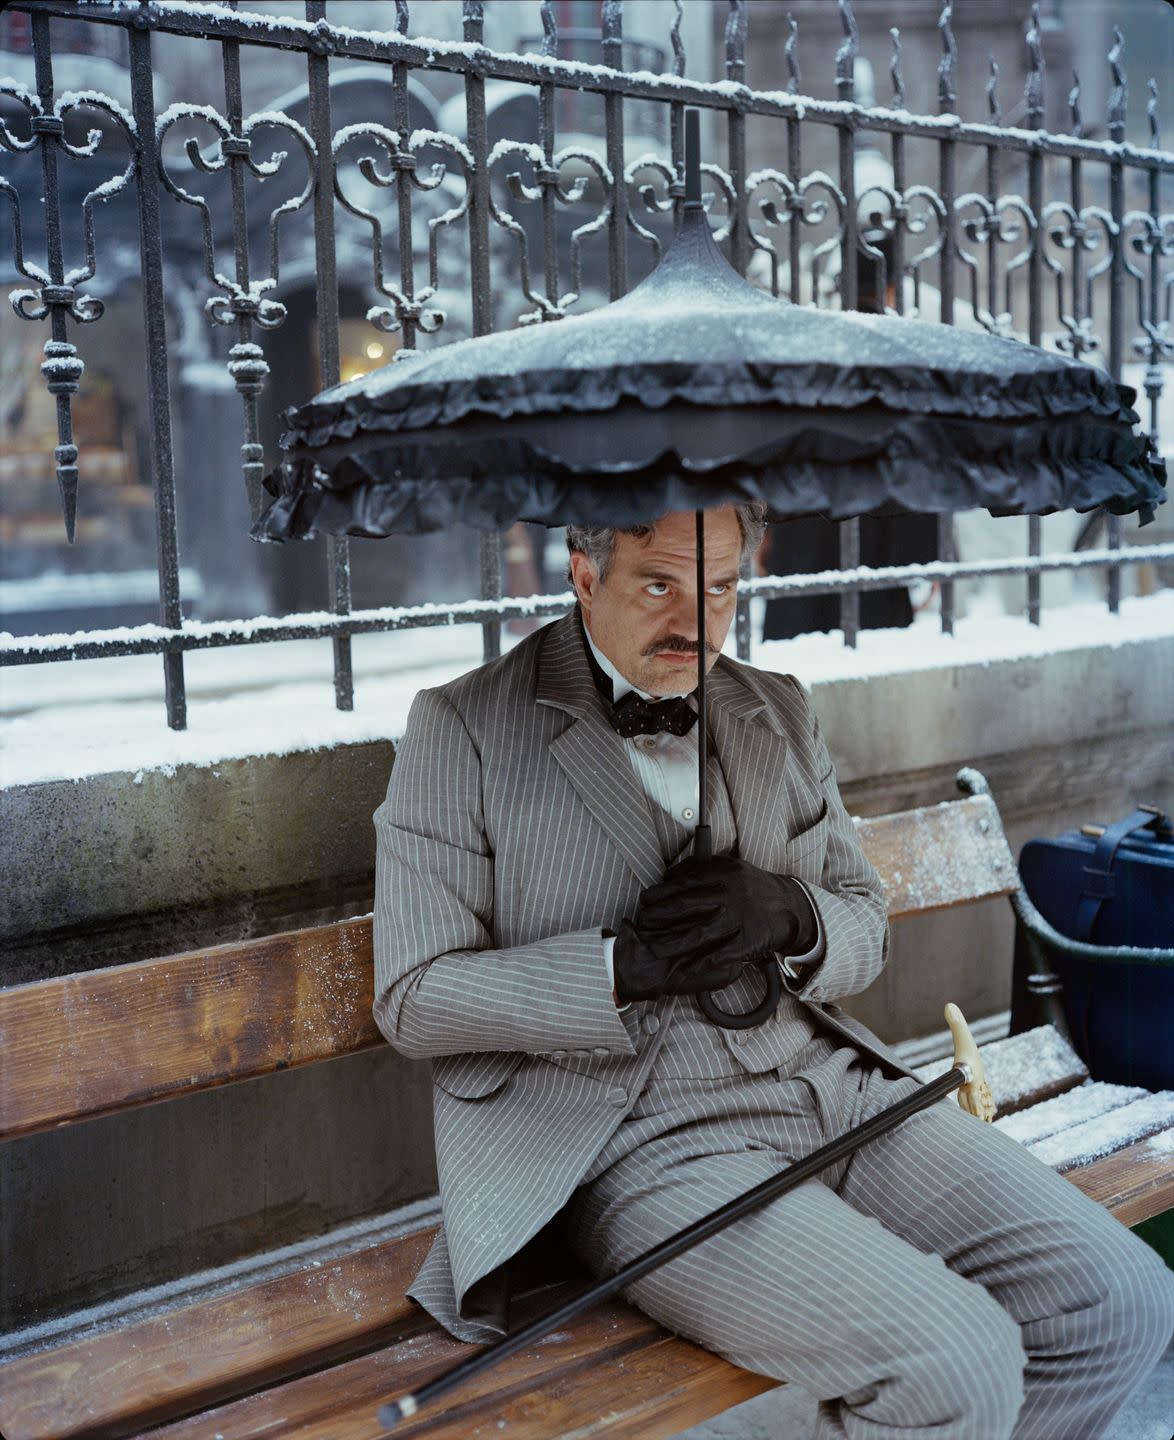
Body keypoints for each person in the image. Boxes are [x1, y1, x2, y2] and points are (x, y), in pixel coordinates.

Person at [373, 503, 1172, 1439]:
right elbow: (414, 997)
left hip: (835, 1089)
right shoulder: (460, 727)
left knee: (1119, 1300)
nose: (696, 622)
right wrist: (618, 969)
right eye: (660, 585)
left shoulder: (776, 707)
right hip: (640, 1140)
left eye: (719, 589)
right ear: (585, 575)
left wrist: (792, 915)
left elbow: (864, 924)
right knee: (957, 1364)